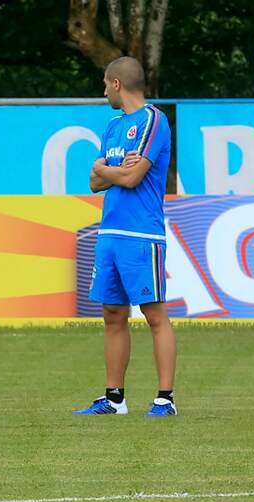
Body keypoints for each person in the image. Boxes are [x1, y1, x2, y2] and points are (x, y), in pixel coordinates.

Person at [74, 56, 177, 417]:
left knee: (154, 314)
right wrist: (113, 169)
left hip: (141, 234)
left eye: (105, 84)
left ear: (117, 83)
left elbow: (131, 180)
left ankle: (166, 398)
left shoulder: (153, 120)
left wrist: (108, 169)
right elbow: (94, 180)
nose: (104, 91)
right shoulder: (114, 125)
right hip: (110, 233)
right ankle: (114, 399)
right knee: (113, 314)